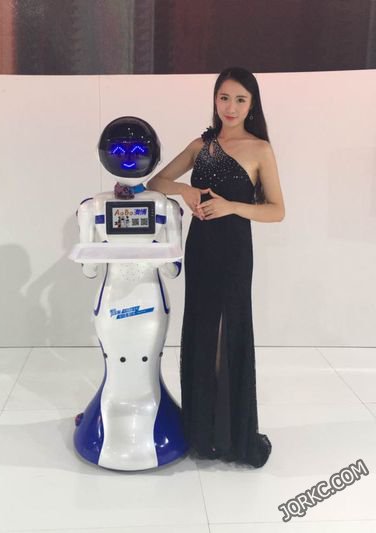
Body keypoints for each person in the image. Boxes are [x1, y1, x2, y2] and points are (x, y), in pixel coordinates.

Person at [146, 67, 285, 468]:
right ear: (215, 99)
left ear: (252, 104)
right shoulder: (201, 146)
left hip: (235, 251)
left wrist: (232, 206)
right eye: (224, 97)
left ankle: (227, 434)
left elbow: (277, 210)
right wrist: (185, 190)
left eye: (240, 99)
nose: (231, 107)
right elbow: (156, 182)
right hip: (202, 248)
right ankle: (201, 430)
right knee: (202, 329)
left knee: (229, 331)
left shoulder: (260, 149)